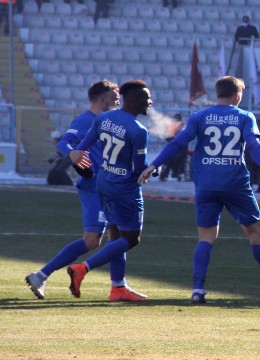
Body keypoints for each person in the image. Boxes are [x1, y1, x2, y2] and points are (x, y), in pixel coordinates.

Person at [138, 76, 260, 304]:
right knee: (255, 232)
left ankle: (198, 289)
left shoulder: (200, 116)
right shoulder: (244, 116)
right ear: (238, 96)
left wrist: (153, 165)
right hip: (235, 184)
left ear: (217, 94)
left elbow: (178, 143)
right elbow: (254, 144)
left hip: (206, 186)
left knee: (206, 238)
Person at [27, 80, 149, 302]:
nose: (118, 99)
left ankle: (118, 287)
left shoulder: (110, 120)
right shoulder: (87, 120)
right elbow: (64, 142)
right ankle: (42, 275)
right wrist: (72, 153)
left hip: (107, 185)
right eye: (114, 96)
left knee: (117, 236)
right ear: (102, 99)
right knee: (93, 240)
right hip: (95, 187)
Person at [65, 80, 153, 301]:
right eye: (146, 97)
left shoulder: (103, 118)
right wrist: (153, 169)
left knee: (115, 236)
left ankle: (117, 288)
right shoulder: (138, 130)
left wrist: (74, 158)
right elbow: (139, 169)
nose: (150, 101)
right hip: (125, 189)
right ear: (133, 100)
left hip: (103, 182)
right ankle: (82, 268)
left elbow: (81, 147)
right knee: (131, 238)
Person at [159, 114, 187, 182]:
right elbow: (167, 137)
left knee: (179, 158)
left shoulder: (183, 127)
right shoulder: (171, 127)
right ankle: (165, 174)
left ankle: (177, 173)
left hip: (181, 148)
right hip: (173, 147)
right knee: (169, 158)